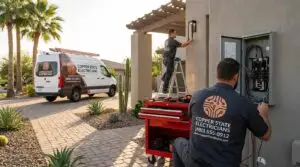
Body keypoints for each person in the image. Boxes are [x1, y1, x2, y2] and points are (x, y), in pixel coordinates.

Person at [172, 58, 272, 167]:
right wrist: (263, 114)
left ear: (217, 74)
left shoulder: (197, 96)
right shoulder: (244, 104)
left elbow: (192, 117)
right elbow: (265, 135)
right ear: (235, 76)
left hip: (195, 163)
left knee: (177, 142)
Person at [161, 29, 192, 93]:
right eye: (175, 33)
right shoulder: (173, 41)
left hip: (165, 59)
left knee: (169, 71)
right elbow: (183, 45)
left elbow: (169, 49)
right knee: (169, 74)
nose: (176, 34)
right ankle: (164, 90)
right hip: (169, 59)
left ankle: (163, 79)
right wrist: (190, 41)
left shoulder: (166, 41)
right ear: (171, 34)